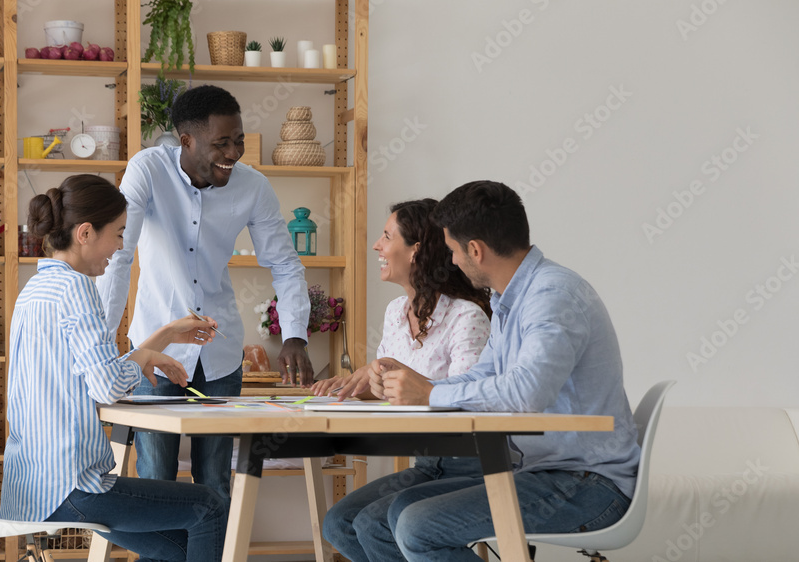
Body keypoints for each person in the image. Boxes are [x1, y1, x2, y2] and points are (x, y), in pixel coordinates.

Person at [357, 180, 641, 562]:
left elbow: (526, 394)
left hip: (588, 484)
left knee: (416, 526)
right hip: (544, 472)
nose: (452, 262)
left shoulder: (552, 296)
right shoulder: (509, 301)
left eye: (454, 251)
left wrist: (430, 395)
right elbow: (482, 376)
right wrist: (421, 385)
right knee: (383, 519)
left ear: (476, 250)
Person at [95, 85, 312, 498]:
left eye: (239, 141)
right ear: (187, 140)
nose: (233, 153)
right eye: (221, 143)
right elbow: (119, 256)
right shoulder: (148, 170)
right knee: (156, 479)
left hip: (219, 356)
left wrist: (295, 336)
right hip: (153, 355)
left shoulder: (253, 186)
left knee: (215, 483)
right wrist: (104, 342)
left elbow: (284, 263)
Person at [1, 175, 228, 562]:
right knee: (209, 505)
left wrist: (166, 335)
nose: (122, 246)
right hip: (71, 487)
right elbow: (107, 387)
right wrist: (143, 356)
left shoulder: (36, 289)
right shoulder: (77, 288)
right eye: (119, 233)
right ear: (86, 233)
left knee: (180, 549)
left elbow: (91, 374)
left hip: (31, 486)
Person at [309, 199, 492, 561]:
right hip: (426, 463)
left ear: (416, 252)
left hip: (473, 463)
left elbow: (470, 402)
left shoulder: (466, 316)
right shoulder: (396, 312)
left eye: (387, 236)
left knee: (374, 525)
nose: (377, 245)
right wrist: (369, 388)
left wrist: (405, 382)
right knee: (340, 522)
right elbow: (395, 391)